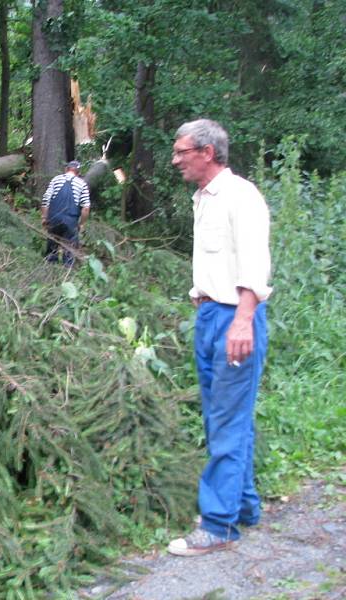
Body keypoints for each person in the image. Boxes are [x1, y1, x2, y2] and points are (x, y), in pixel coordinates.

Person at [168, 119, 272, 557]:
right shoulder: (204, 198)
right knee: (222, 417)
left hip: (236, 318)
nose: (175, 160)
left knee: (226, 422)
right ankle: (242, 506)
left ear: (208, 153)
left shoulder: (239, 196)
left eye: (182, 152)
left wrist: (243, 320)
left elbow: (254, 262)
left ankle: (218, 525)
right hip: (211, 314)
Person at [40, 160, 90, 266]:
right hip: (71, 221)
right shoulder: (82, 184)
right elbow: (86, 208)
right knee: (69, 249)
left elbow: (45, 200)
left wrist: (44, 217)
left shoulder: (56, 180)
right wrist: (81, 224)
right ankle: (66, 274)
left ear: (66, 169)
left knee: (52, 246)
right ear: (78, 172)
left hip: (54, 218)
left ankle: (49, 269)